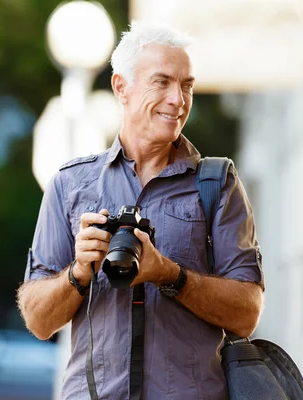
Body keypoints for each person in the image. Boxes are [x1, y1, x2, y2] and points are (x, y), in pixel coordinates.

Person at [16, 22, 264, 399]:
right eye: (161, 82)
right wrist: (79, 272)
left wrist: (170, 274)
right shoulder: (70, 185)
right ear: (121, 88)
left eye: (186, 85)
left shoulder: (217, 183)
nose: (177, 100)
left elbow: (247, 314)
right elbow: (37, 320)